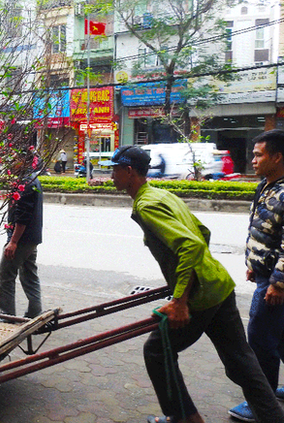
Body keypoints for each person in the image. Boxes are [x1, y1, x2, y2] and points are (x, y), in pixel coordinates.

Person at [106, 145, 284, 423]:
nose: (111, 176)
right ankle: (273, 417)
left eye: (114, 170)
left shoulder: (146, 204)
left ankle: (184, 418)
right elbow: (203, 232)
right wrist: (191, 276)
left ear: (129, 172)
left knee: (156, 350)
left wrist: (180, 299)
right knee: (241, 361)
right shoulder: (161, 193)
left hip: (201, 296)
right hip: (219, 284)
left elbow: (189, 244)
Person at [229, 129, 284, 422]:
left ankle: (261, 404)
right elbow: (262, 230)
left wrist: (277, 283)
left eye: (259, 155)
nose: (253, 160)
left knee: (261, 340)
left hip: (277, 283)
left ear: (277, 157)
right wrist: (254, 262)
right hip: (266, 273)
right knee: (281, 337)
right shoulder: (266, 185)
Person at [0, 153, 43, 319]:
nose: (11, 162)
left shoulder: (26, 183)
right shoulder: (31, 179)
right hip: (31, 239)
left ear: (24, 161)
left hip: (22, 240)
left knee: (5, 276)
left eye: (15, 159)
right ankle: (35, 312)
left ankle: (7, 315)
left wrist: (13, 242)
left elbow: (23, 216)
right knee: (29, 274)